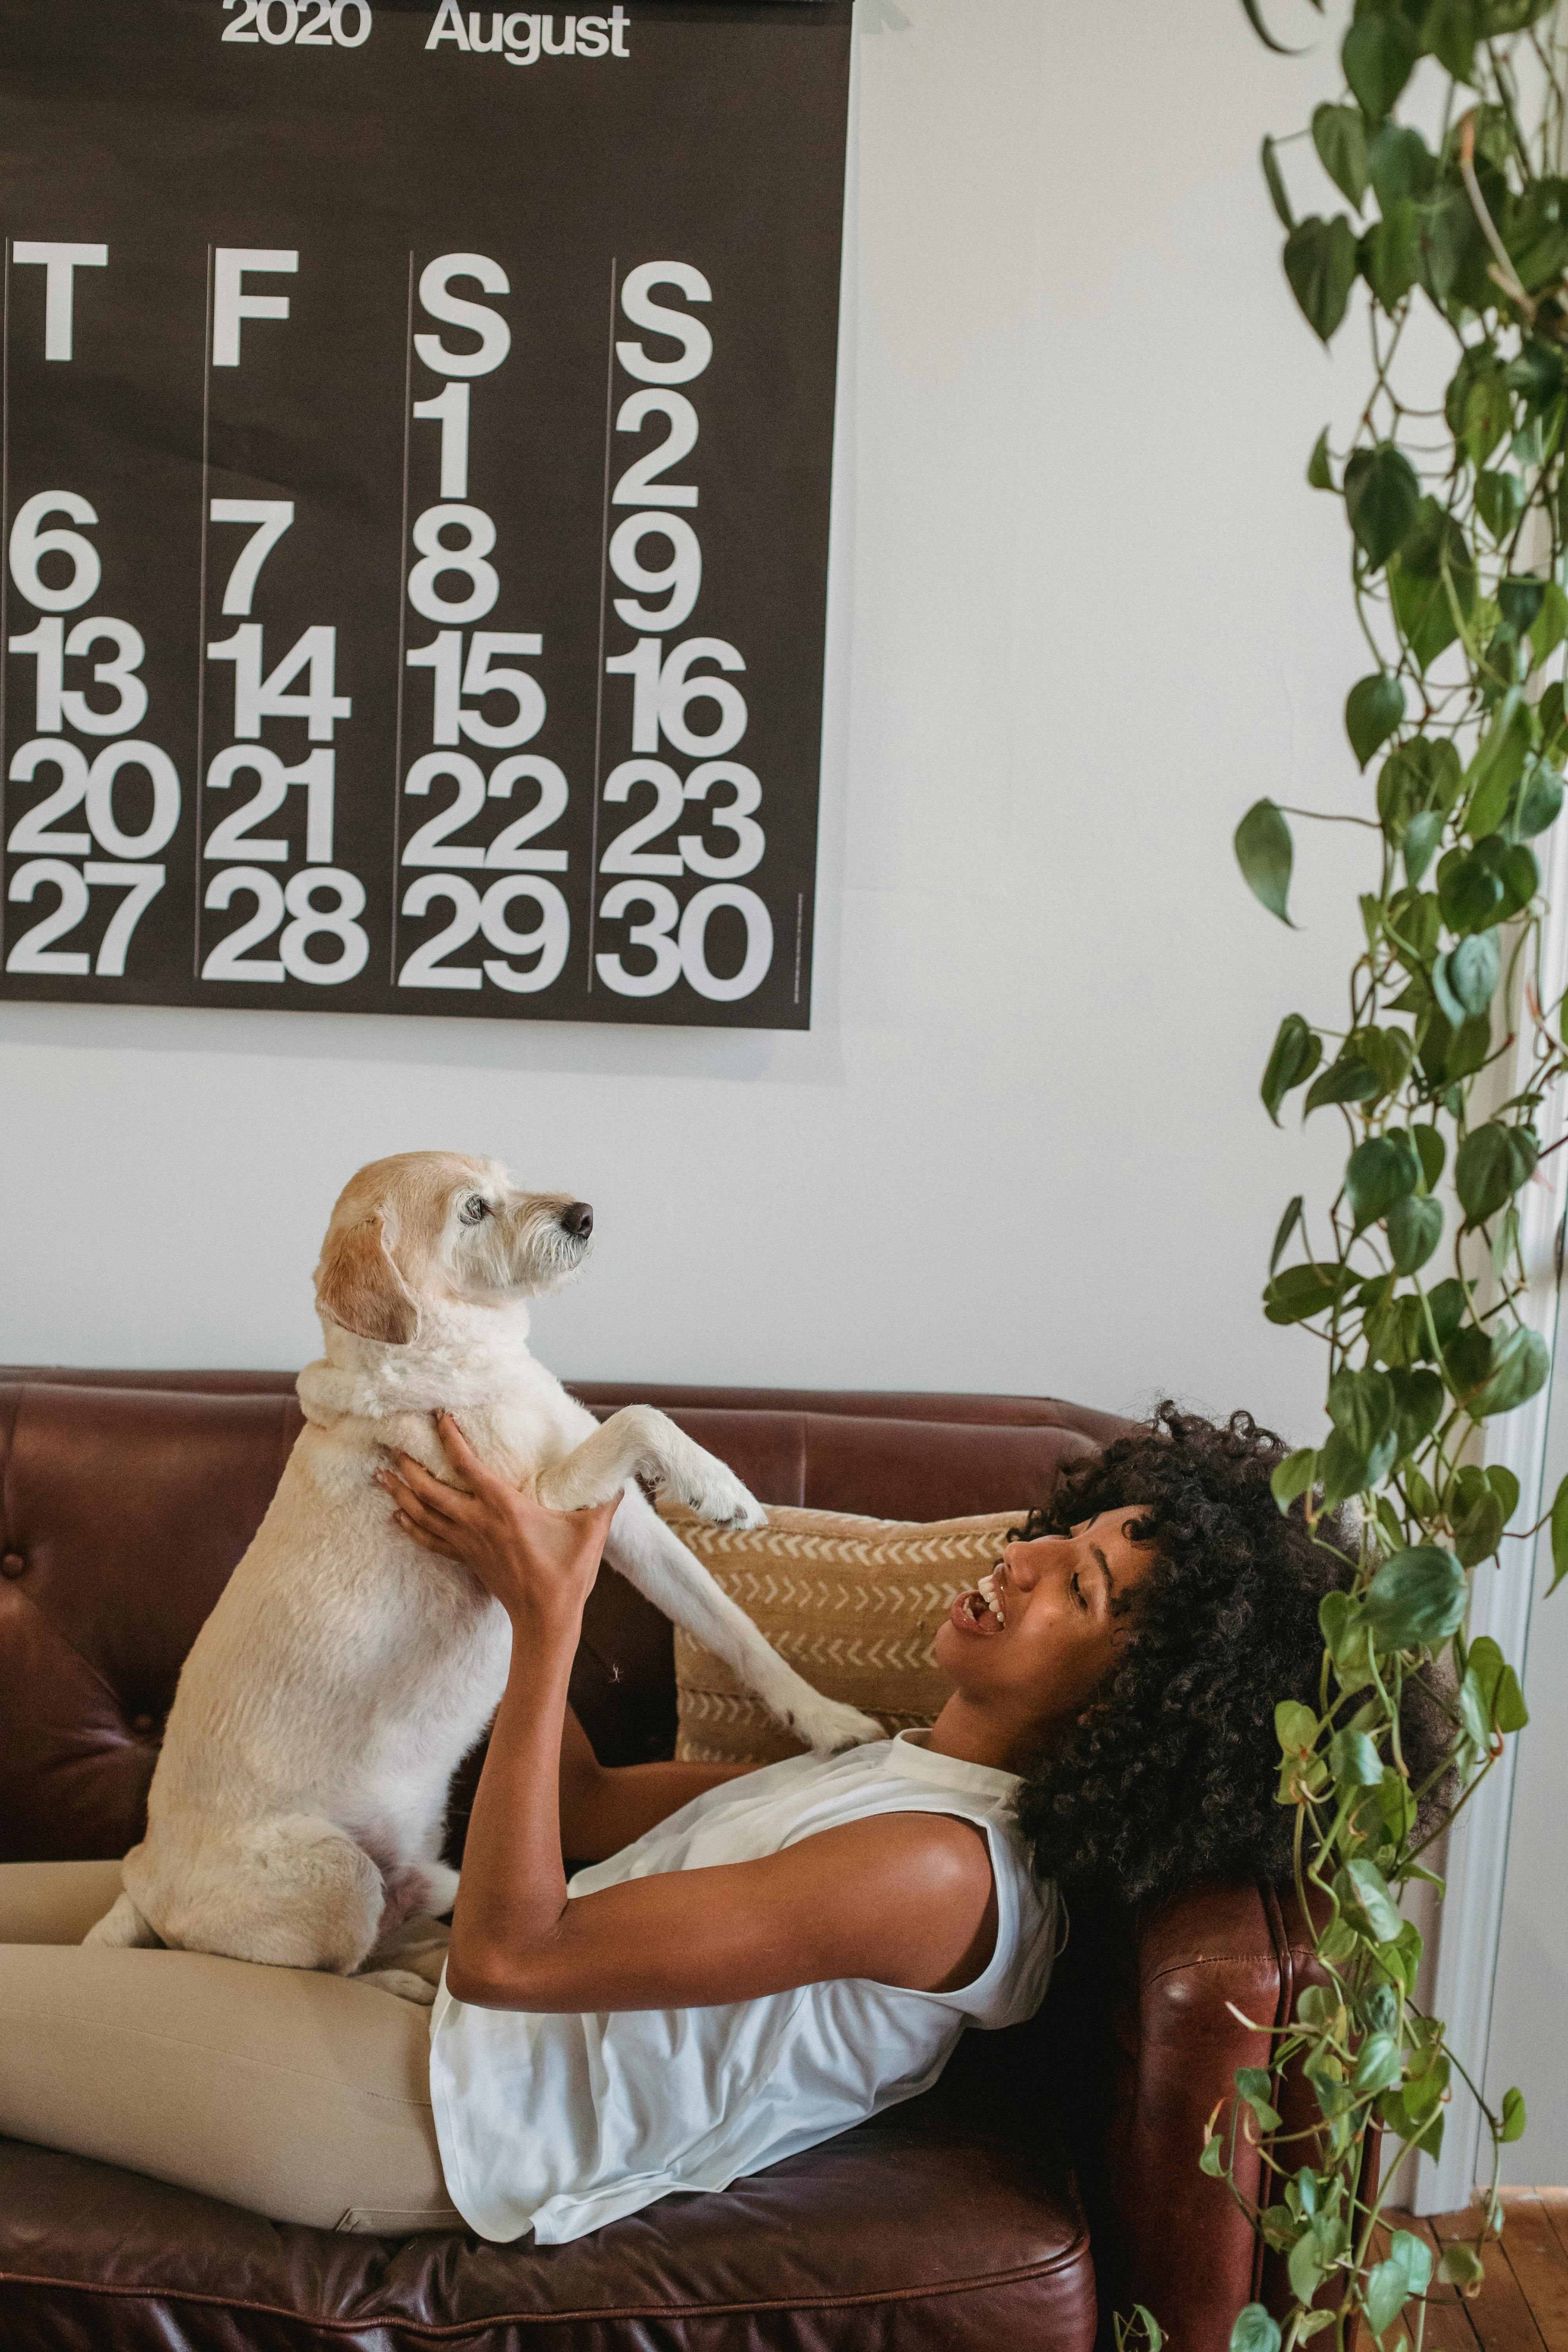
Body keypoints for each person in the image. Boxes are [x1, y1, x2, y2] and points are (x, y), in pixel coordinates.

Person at [0, 1404, 1450, 2240]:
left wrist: (549, 1614)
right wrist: (484, 1567)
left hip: (423, 2108)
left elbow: (523, 1958)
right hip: (416, 1976)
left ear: (1156, 1715)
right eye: (1068, 1539)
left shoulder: (937, 1870)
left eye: (1089, 1595)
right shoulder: (890, 1774)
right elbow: (573, 1810)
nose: (1029, 1567)